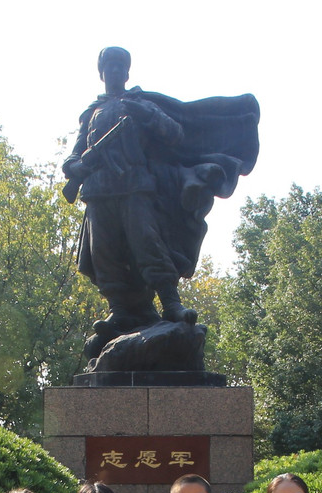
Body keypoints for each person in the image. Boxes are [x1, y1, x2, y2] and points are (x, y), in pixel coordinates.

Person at [60, 46, 257, 338]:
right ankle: (119, 310)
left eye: (120, 66)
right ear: (101, 73)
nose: (115, 71)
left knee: (148, 244)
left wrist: (149, 116)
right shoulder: (92, 112)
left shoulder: (141, 104)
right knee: (104, 253)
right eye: (109, 66)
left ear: (127, 73)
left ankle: (171, 304)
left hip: (136, 187)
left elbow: (175, 134)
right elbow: (74, 156)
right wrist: (77, 166)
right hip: (98, 192)